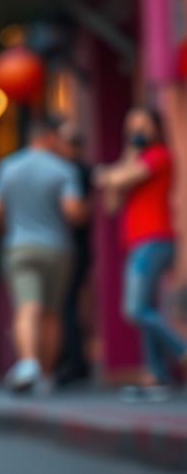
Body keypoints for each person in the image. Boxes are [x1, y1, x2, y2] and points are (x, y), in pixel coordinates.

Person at [0, 118, 88, 394]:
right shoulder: (64, 169)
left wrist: (13, 227)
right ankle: (46, 374)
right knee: (52, 313)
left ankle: (28, 361)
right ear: (51, 138)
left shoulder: (9, 166)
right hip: (57, 248)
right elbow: (73, 211)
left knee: (27, 306)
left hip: (19, 246)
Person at [94, 107, 187, 401]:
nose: (137, 133)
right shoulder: (134, 160)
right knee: (146, 309)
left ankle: (181, 348)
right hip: (137, 242)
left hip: (155, 240)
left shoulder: (159, 156)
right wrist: (117, 168)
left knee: (135, 309)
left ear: (156, 128)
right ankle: (158, 376)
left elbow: (116, 181)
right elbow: (111, 202)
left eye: (143, 126)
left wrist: (111, 174)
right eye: (132, 127)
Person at [55, 122, 93, 387]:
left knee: (67, 306)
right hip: (72, 247)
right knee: (70, 305)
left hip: (69, 247)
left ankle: (74, 362)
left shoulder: (72, 172)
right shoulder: (77, 171)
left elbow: (77, 213)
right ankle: (74, 359)